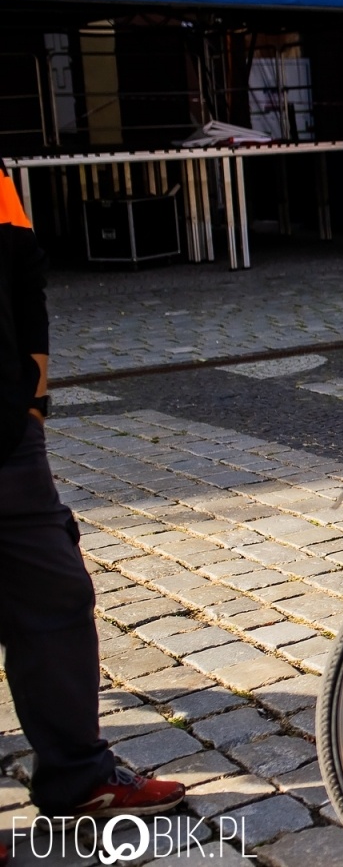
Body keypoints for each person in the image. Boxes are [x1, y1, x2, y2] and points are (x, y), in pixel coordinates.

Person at [0, 167, 186, 857]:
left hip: (8, 441)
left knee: (57, 594)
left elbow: (25, 278)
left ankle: (79, 776)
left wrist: (33, 404)